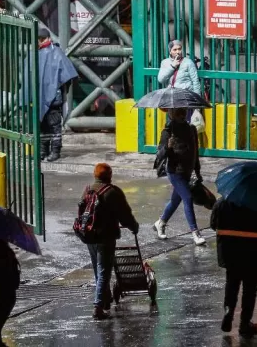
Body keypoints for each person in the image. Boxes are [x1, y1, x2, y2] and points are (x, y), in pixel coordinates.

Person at [210, 198, 257, 338]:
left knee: (232, 283)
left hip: (229, 252)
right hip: (252, 253)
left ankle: (228, 310)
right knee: (250, 289)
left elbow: (213, 224)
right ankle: (245, 324)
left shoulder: (221, 203)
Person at [85, 163, 140, 319]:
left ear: (94, 175)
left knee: (98, 269)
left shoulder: (88, 189)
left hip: (89, 236)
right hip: (105, 237)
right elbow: (125, 216)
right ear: (109, 175)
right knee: (104, 271)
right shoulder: (112, 192)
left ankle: (106, 299)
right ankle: (97, 306)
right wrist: (134, 227)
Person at [152, 108, 206, 246]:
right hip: (174, 171)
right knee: (187, 198)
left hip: (187, 170)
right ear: (171, 115)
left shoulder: (191, 129)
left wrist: (197, 171)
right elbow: (159, 155)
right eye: (177, 113)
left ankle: (161, 222)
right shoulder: (168, 131)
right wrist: (167, 147)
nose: (181, 115)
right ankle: (195, 232)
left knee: (176, 200)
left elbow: (195, 152)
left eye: (183, 112)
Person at [36, 28, 78, 162]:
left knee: (54, 126)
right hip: (43, 97)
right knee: (43, 126)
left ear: (48, 38)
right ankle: (43, 151)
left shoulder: (56, 53)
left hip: (54, 98)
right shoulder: (39, 53)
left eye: (42, 39)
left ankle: (55, 151)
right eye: (39, 39)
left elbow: (66, 74)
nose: (40, 42)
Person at [158, 40, 202, 122]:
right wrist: (172, 66)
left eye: (179, 49)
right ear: (170, 51)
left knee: (186, 122)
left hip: (185, 98)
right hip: (172, 98)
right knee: (171, 123)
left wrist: (197, 104)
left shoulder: (188, 62)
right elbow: (161, 79)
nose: (178, 52)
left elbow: (195, 82)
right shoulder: (165, 62)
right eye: (175, 50)